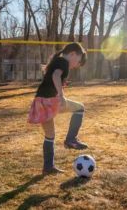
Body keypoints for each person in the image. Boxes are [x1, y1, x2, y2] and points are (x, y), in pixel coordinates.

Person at [28, 42, 88, 175]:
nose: (76, 66)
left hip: (40, 101)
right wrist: (61, 95)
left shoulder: (58, 61)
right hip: (50, 100)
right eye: (77, 62)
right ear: (72, 54)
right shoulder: (63, 62)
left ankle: (48, 167)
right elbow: (55, 75)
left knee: (50, 136)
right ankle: (70, 139)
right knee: (79, 108)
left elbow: (52, 76)